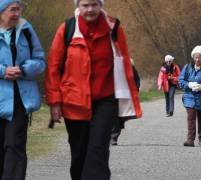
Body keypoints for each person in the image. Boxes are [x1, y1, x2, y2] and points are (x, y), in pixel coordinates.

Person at [45, 0, 142, 179]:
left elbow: (125, 63)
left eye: (94, 4)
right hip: (74, 101)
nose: (90, 9)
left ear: (100, 5)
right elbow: (53, 66)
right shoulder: (66, 29)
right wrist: (55, 102)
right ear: (78, 6)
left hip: (106, 99)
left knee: (98, 148)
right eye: (85, 5)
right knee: (79, 152)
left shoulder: (114, 28)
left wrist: (128, 97)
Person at [0, 0, 46, 179]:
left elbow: (41, 61)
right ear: (1, 11)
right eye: (13, 10)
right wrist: (3, 71)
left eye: (19, 9)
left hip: (20, 99)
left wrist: (25, 69)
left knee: (15, 146)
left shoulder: (26, 29)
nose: (17, 14)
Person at [111, 58, 140, 146]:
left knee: (120, 117)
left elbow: (136, 80)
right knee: (114, 116)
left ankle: (114, 136)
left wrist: (135, 91)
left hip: (125, 95)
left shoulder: (131, 67)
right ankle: (113, 137)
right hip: (112, 94)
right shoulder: (112, 65)